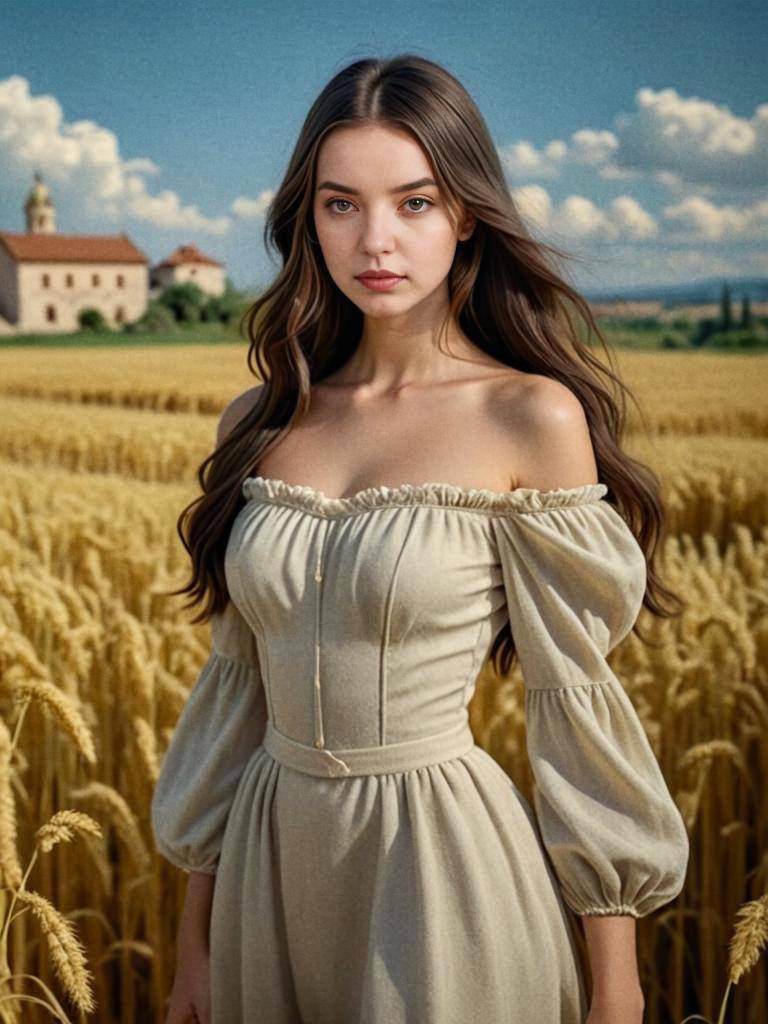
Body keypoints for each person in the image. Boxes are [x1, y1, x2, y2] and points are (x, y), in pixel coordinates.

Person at [150, 53, 690, 1024]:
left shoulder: (533, 418)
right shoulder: (260, 421)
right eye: (341, 204)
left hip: (438, 871)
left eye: (414, 202)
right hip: (266, 876)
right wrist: (195, 945)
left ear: (467, 213)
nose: (376, 241)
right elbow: (236, 687)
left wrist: (617, 984)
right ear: (307, 219)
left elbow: (573, 702)